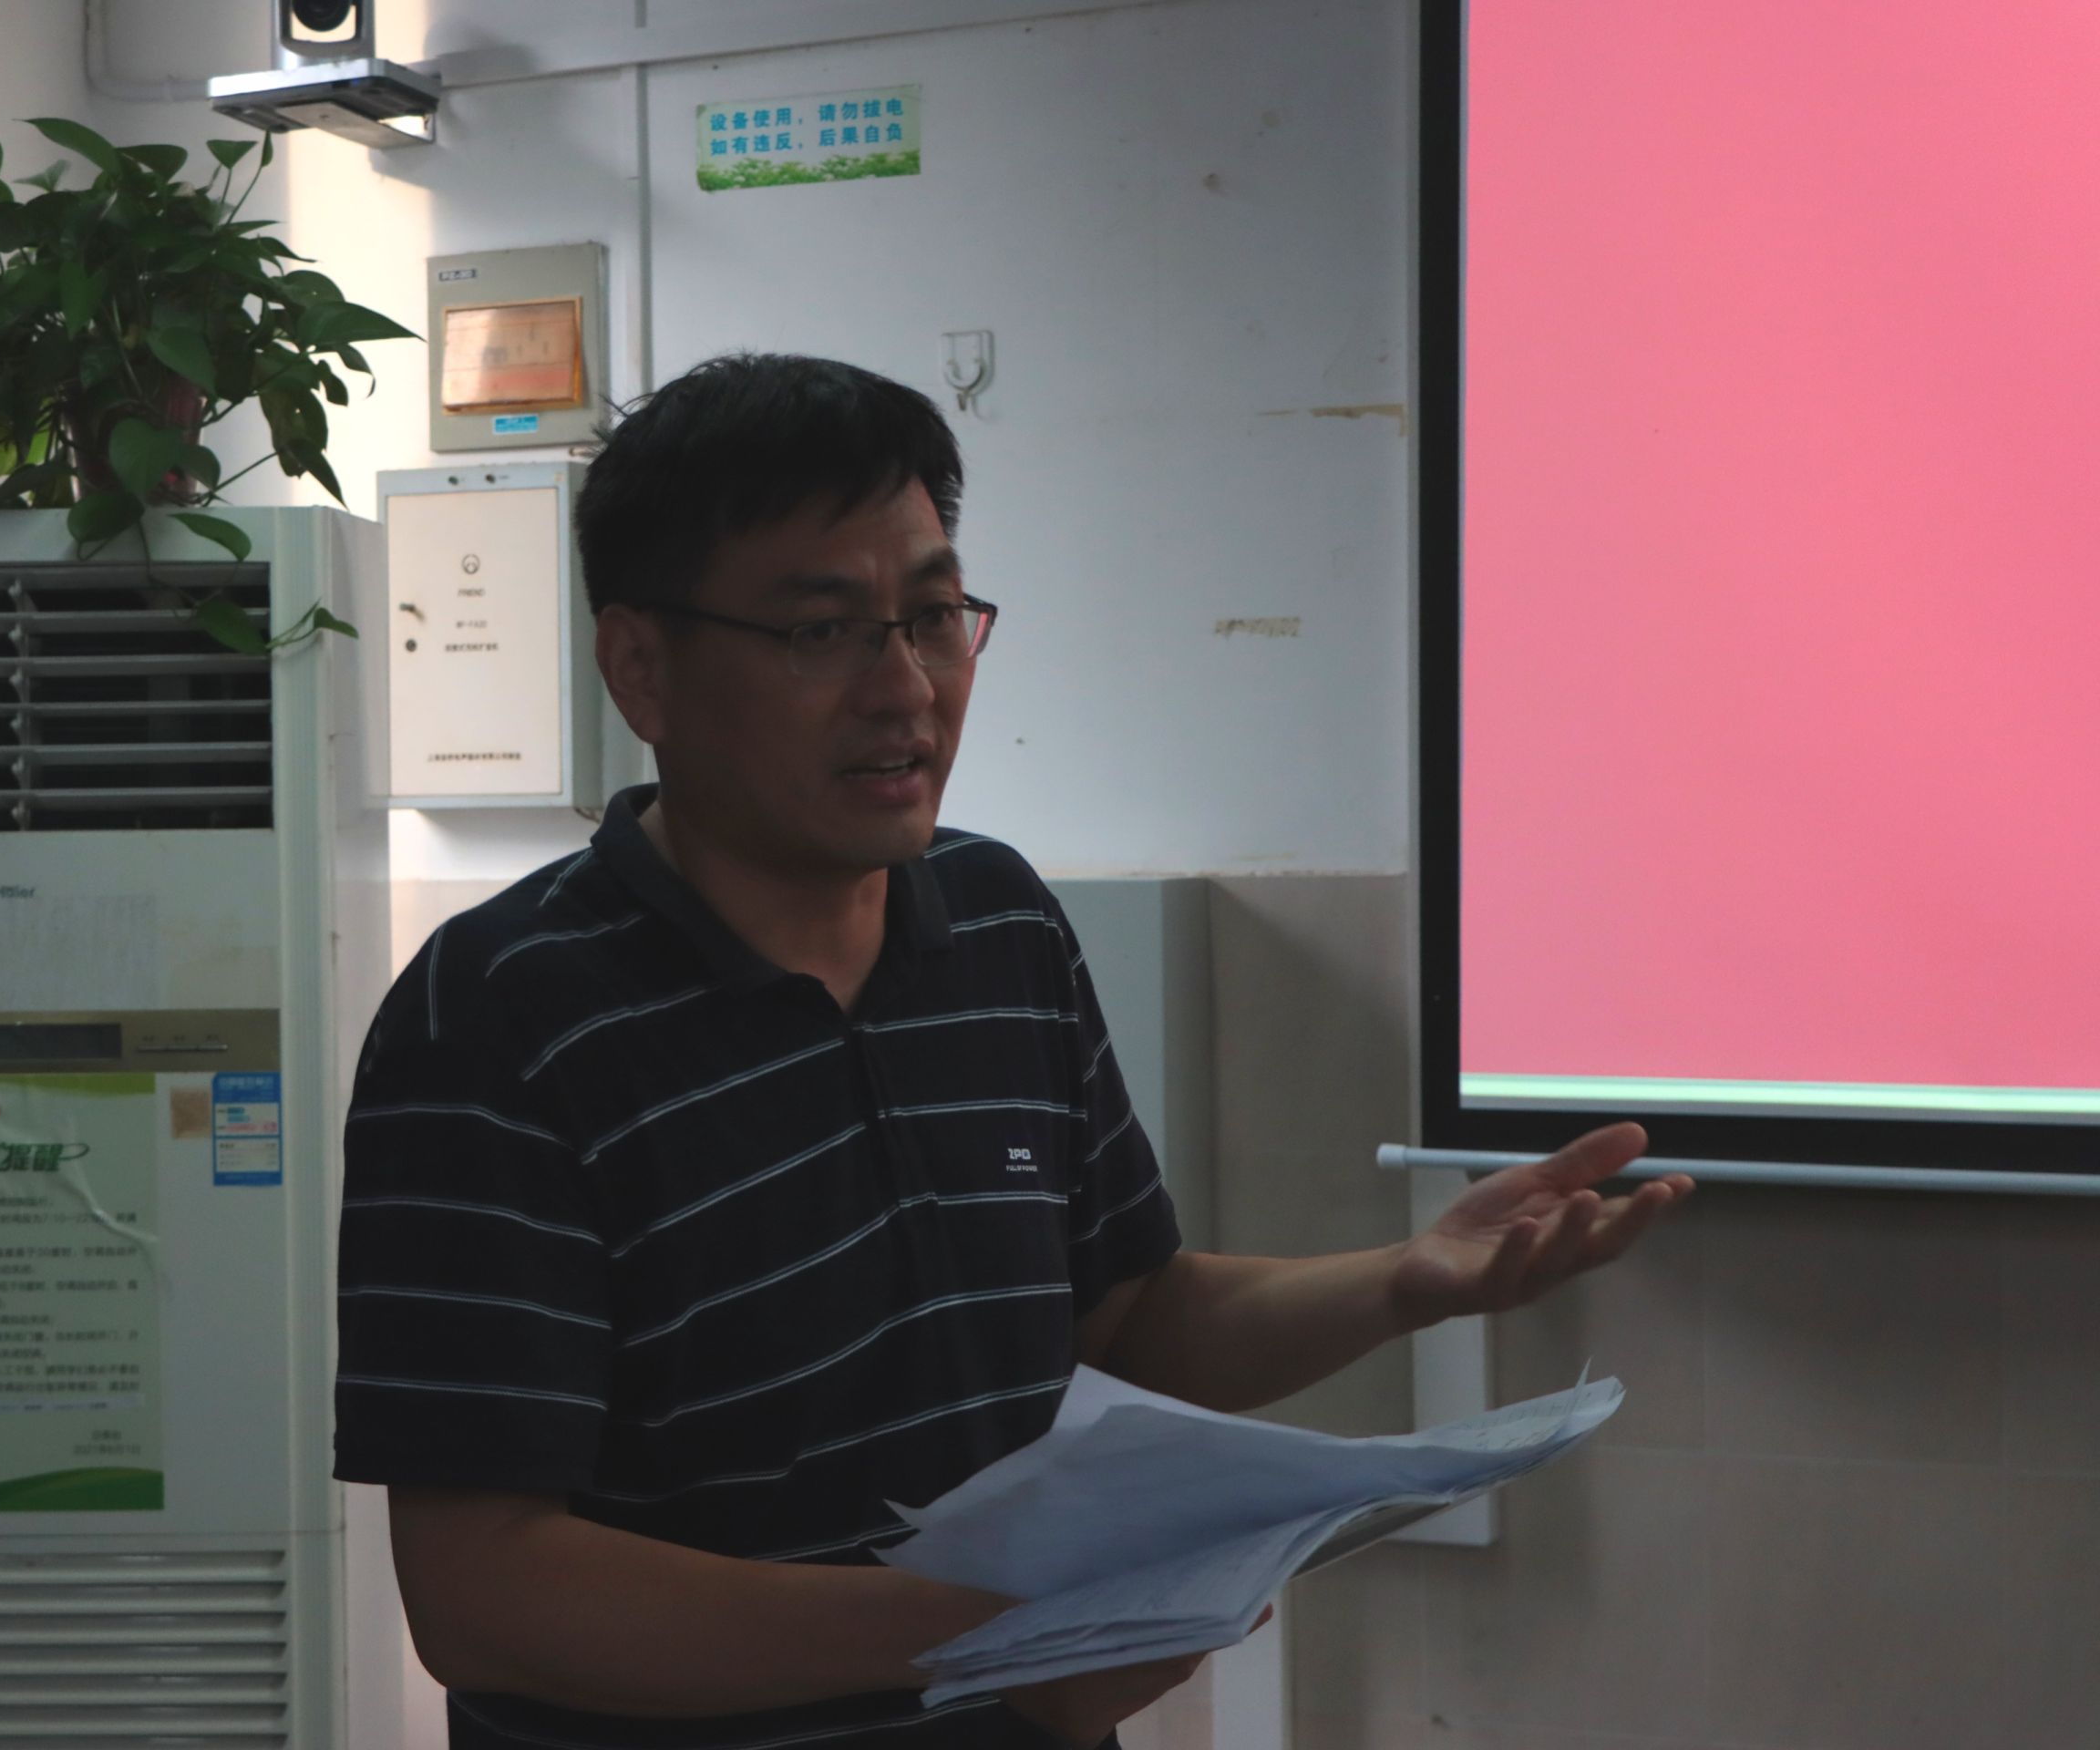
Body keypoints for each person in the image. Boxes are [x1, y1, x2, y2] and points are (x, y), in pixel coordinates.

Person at [334, 354, 1692, 1750]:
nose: (905, 690)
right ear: (641, 667)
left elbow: (1123, 1321)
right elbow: (486, 1593)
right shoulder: (500, 1017)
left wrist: (1405, 1282)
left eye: (933, 618)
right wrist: (989, 1637)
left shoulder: (998, 922)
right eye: (821, 631)